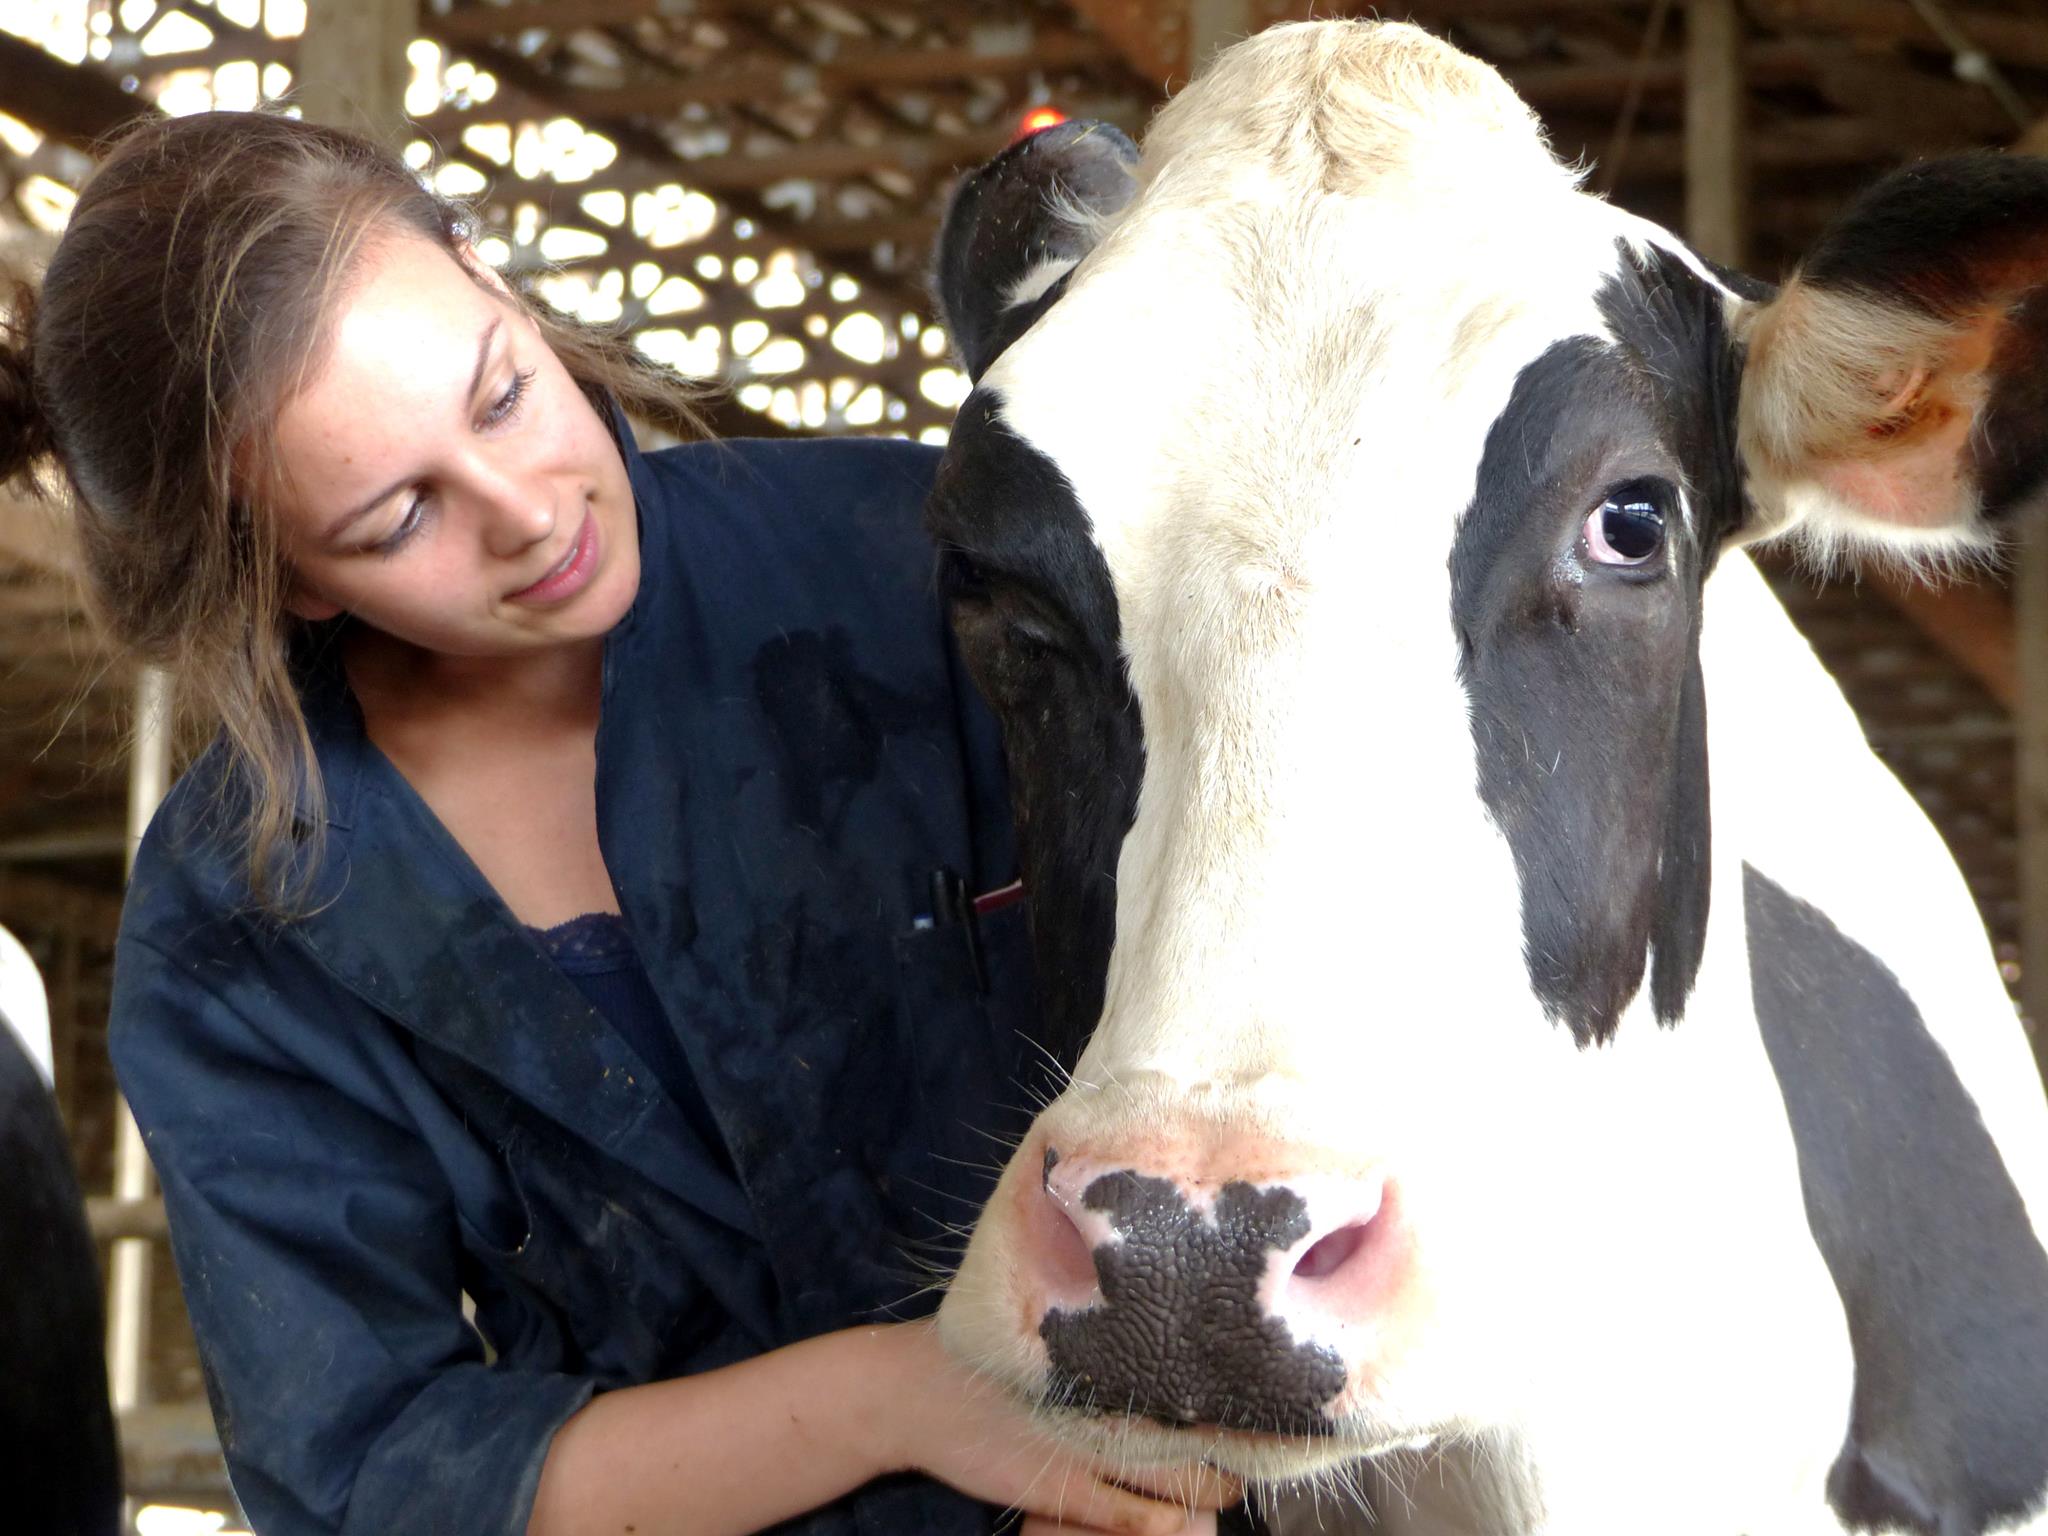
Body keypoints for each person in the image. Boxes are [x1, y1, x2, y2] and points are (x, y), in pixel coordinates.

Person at [0, 111, 1236, 1536]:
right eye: (400, 518)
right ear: (287, 580)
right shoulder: (239, 925)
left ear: (493, 278)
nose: (524, 513)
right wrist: (899, 1398)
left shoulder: (937, 572)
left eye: (501, 395)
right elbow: (369, 1471)